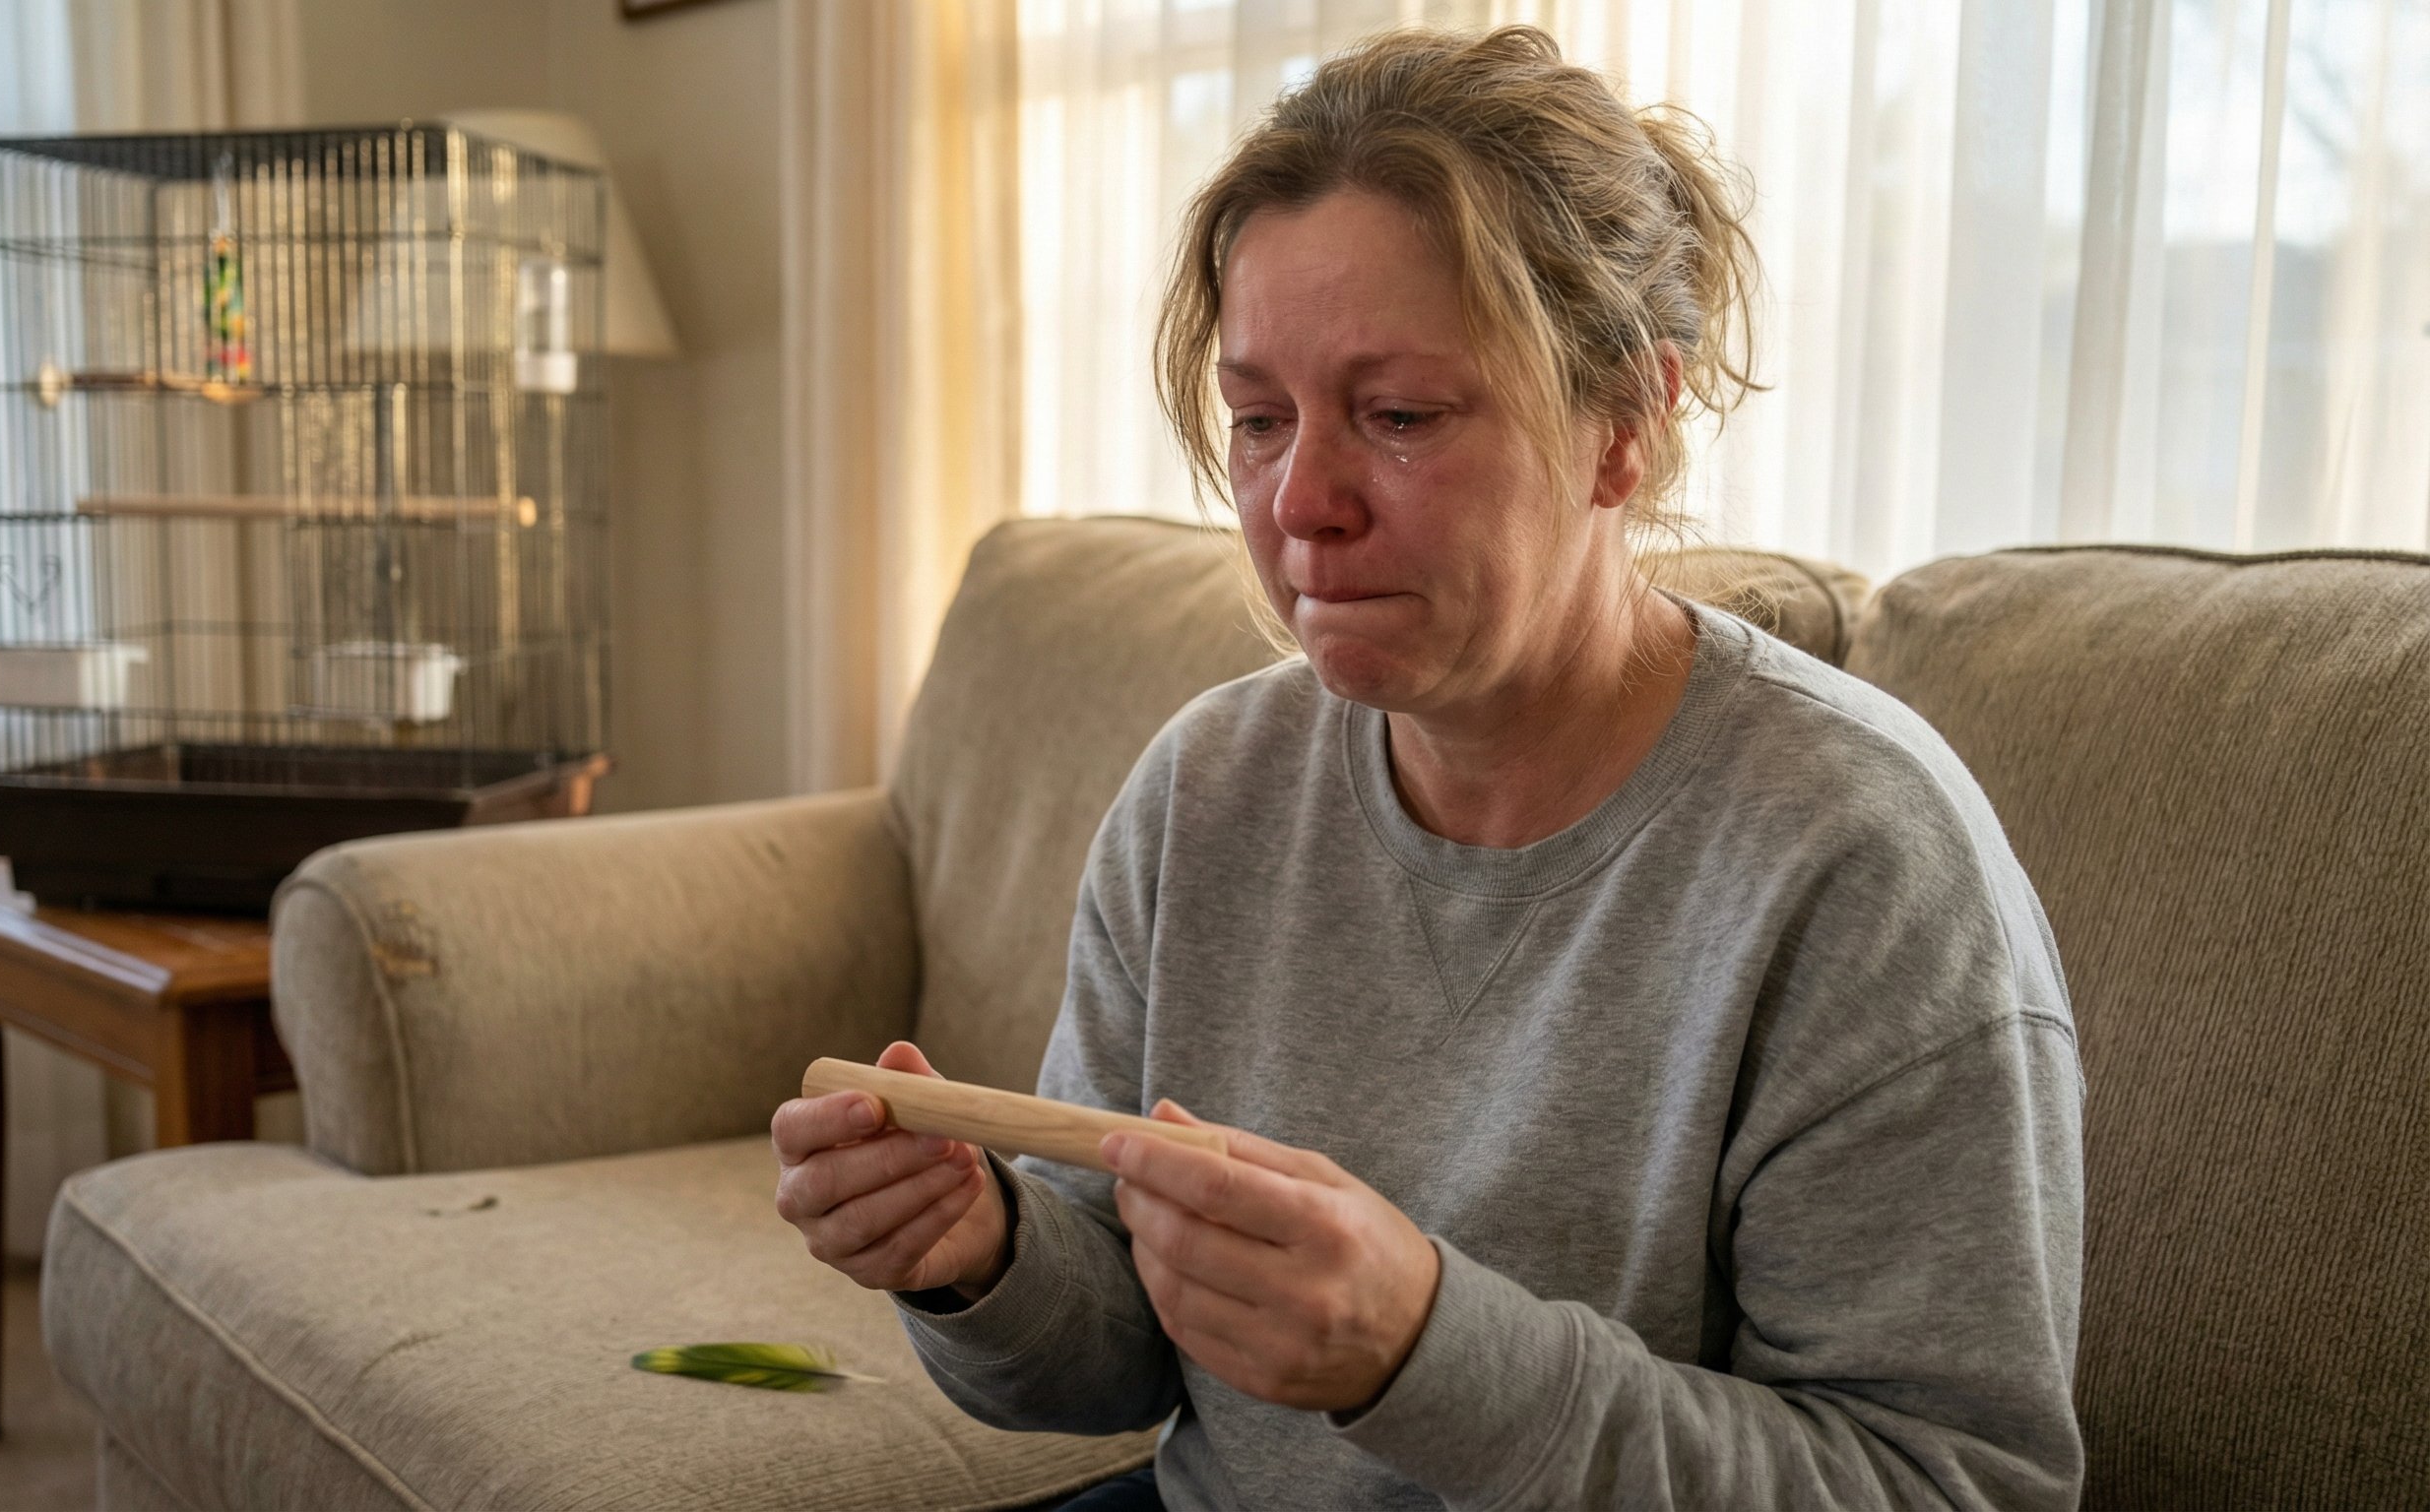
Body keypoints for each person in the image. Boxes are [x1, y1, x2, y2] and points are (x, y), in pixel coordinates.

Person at [771, 24, 2083, 1511]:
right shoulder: (1210, 788)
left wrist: (1422, 1354)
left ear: (1626, 428)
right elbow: (1119, 1364)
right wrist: (981, 1255)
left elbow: (1952, 1488)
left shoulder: (1858, 862)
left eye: (1397, 417)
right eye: (1258, 419)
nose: (1297, 502)